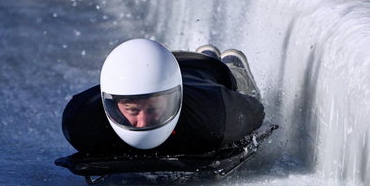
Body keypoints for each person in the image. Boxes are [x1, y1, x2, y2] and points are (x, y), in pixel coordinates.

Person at [62, 39, 265, 156]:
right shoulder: (80, 122)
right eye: (132, 110)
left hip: (205, 73)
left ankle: (230, 67)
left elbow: (257, 110)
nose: (143, 123)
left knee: (227, 77)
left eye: (152, 109)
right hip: (162, 66)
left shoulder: (217, 115)